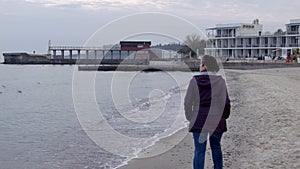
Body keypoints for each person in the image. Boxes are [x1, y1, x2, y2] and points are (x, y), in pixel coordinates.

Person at [184, 55, 231, 169]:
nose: (199, 66)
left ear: (204, 66)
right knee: (216, 147)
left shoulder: (194, 81)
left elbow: (187, 102)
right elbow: (225, 102)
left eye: (201, 64)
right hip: (216, 119)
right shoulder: (220, 81)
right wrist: (224, 116)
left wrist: (190, 117)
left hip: (199, 118)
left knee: (199, 150)